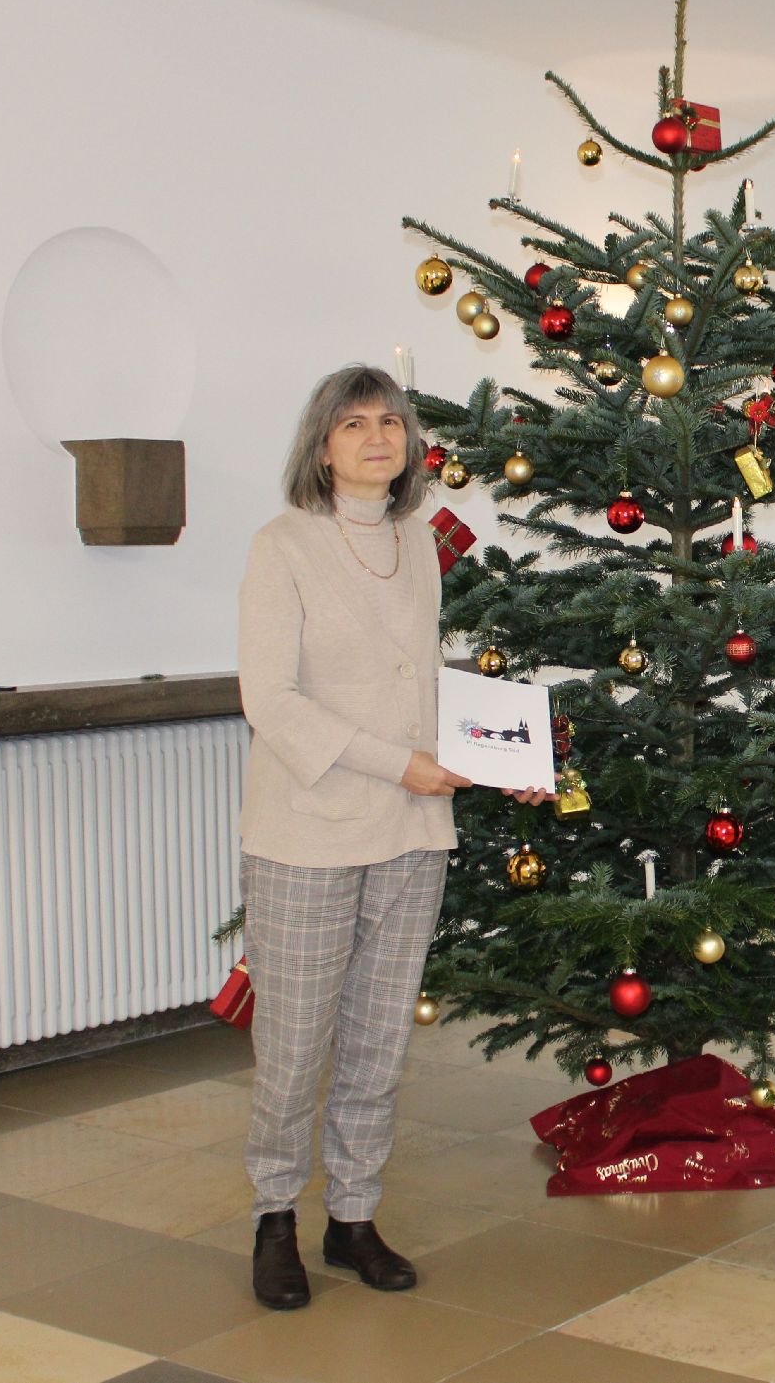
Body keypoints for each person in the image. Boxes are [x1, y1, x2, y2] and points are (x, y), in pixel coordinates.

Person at [237, 363, 546, 1310]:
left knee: (378, 1036)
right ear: (321, 444)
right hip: (310, 829)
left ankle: (355, 1218)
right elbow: (271, 703)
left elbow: (421, 678)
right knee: (294, 1043)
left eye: (391, 423)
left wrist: (503, 754)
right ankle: (277, 1217)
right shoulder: (281, 545)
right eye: (354, 423)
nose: (377, 437)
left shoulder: (416, 544)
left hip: (414, 828)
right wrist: (398, 761)